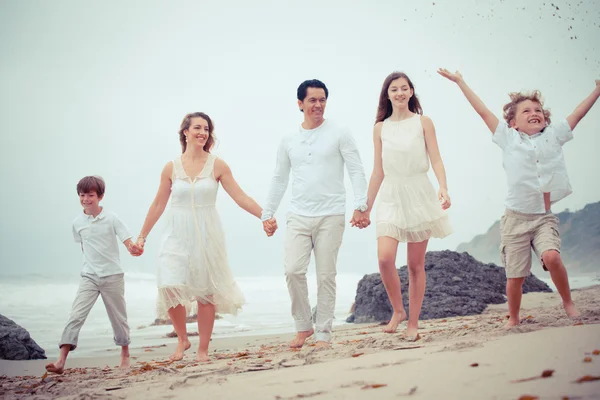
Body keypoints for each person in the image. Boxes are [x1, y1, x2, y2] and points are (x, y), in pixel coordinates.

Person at [438, 69, 600, 327]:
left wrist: (597, 90)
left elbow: (577, 114)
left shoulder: (553, 136)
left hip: (543, 217)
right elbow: (483, 112)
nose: (534, 113)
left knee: (552, 257)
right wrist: (461, 82)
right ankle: (513, 316)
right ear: (513, 123)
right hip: (515, 220)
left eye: (538, 110)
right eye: (526, 111)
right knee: (515, 276)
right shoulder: (508, 139)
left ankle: (568, 302)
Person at [135, 112, 268, 362]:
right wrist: (142, 236)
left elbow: (241, 197)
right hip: (175, 232)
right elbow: (157, 205)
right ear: (185, 132)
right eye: (197, 127)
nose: (202, 133)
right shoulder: (170, 167)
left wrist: (265, 216)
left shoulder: (217, 164)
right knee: (169, 284)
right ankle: (182, 339)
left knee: (206, 292)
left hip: (207, 233)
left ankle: (202, 349)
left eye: (206, 129)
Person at [261, 79, 369, 349]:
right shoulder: (288, 140)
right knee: (293, 271)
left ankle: (323, 333)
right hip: (298, 213)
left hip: (331, 214)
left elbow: (356, 170)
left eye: (322, 100)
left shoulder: (340, 132)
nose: (318, 105)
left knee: (325, 275)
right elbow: (279, 178)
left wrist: (361, 204)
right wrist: (267, 212)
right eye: (312, 100)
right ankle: (303, 326)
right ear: (300, 104)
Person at [362, 72, 452, 340]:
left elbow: (436, 159)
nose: (399, 93)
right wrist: (365, 207)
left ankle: (413, 322)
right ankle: (398, 310)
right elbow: (378, 171)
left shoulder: (423, 122)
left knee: (415, 264)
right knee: (385, 257)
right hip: (390, 194)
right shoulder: (380, 128)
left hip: (419, 193)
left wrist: (443, 187)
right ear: (387, 95)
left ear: (411, 92)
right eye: (394, 89)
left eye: (404, 88)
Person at [46, 176, 141, 374]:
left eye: (90, 195)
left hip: (112, 276)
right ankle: (61, 360)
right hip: (89, 276)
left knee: (118, 318)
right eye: (82, 195)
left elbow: (126, 239)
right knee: (76, 315)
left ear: (100, 196)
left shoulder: (112, 218)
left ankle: (125, 354)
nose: (86, 199)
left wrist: (133, 248)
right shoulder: (77, 222)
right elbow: (84, 246)